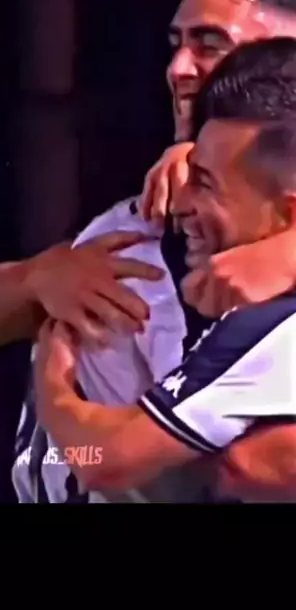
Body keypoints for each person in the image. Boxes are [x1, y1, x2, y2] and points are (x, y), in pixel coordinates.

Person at [0, 0, 296, 501]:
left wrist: (54, 386)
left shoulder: (265, 283)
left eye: (210, 44)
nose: (179, 68)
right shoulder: (142, 210)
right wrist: (38, 277)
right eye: (176, 44)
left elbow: (111, 459)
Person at [35, 37, 296, 502]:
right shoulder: (130, 244)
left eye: (205, 184)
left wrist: (52, 380)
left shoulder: (265, 331)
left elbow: (105, 459)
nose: (181, 203)